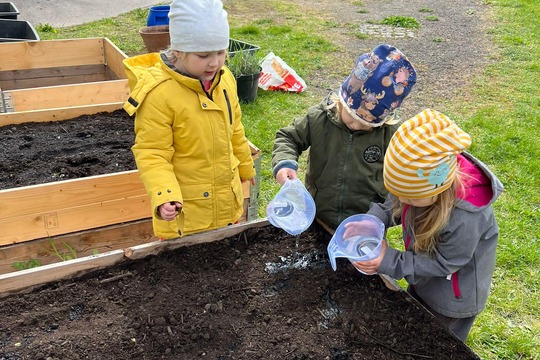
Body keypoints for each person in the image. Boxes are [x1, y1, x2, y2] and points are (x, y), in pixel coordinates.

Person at [347, 109, 504, 342]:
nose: (402, 201)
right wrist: (371, 221)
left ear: (438, 187)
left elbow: (444, 263)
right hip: (423, 279)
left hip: (452, 299)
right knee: (414, 328)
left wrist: (389, 260)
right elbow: (393, 204)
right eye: (399, 194)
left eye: (409, 198)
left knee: (437, 343)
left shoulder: (467, 216)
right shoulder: (419, 188)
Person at [122, 0, 256, 239]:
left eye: (221, 52)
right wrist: (165, 195)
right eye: (203, 55)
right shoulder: (159, 94)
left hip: (226, 204)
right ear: (178, 51)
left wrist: (246, 165)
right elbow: (152, 152)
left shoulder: (225, 80)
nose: (214, 62)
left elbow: (235, 129)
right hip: (186, 213)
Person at [271, 44, 417, 234]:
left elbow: (405, 184)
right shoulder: (320, 118)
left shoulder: (391, 135)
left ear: (384, 119)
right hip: (319, 217)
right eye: (352, 116)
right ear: (343, 101)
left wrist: (380, 217)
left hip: (364, 227)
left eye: (366, 123)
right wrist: (284, 163)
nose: (356, 125)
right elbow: (289, 137)